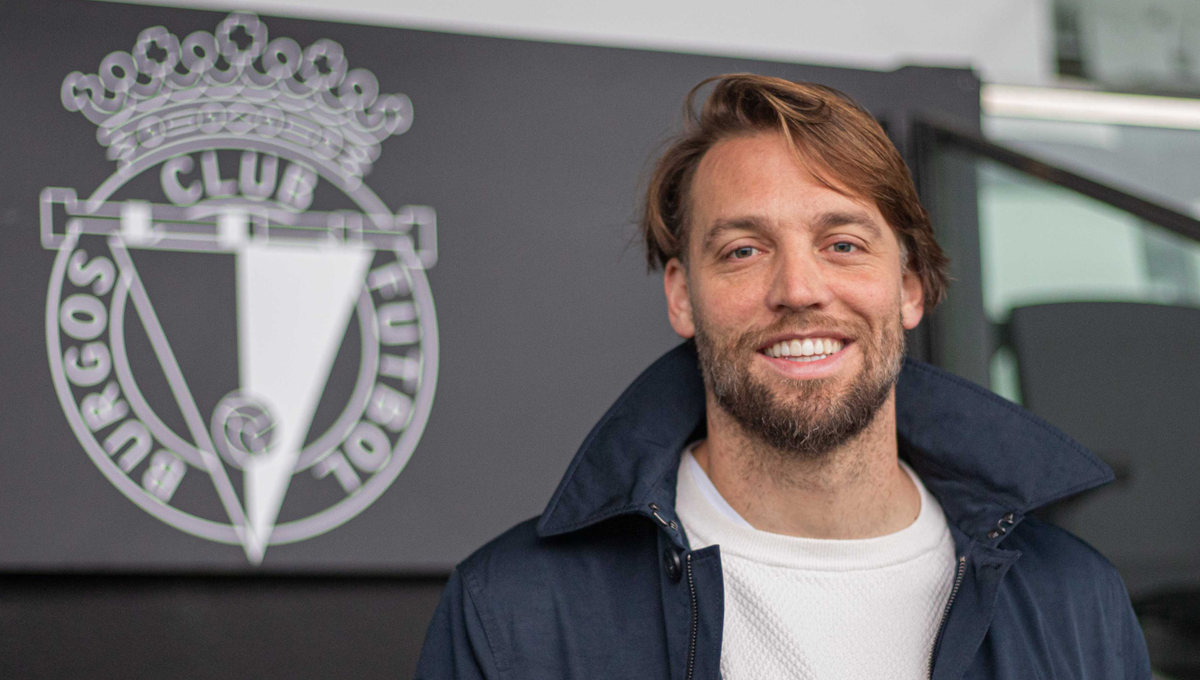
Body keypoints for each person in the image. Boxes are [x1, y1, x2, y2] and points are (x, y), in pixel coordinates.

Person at [414, 74, 1151, 680]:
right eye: (743, 250)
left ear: (909, 287)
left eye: (843, 244)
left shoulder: (1073, 599)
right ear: (682, 296)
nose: (798, 289)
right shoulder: (514, 612)